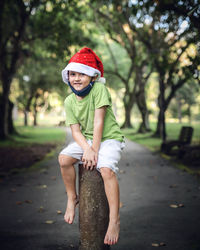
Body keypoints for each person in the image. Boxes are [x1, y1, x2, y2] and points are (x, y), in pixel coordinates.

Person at [58, 47, 125, 246]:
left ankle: (114, 220)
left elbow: (99, 122)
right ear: (67, 76)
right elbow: (76, 131)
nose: (77, 78)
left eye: (82, 74)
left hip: (109, 138)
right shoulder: (69, 100)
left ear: (92, 76)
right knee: (64, 159)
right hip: (87, 140)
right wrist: (87, 148)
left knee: (105, 170)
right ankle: (72, 198)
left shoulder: (99, 90)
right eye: (72, 74)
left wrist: (94, 149)